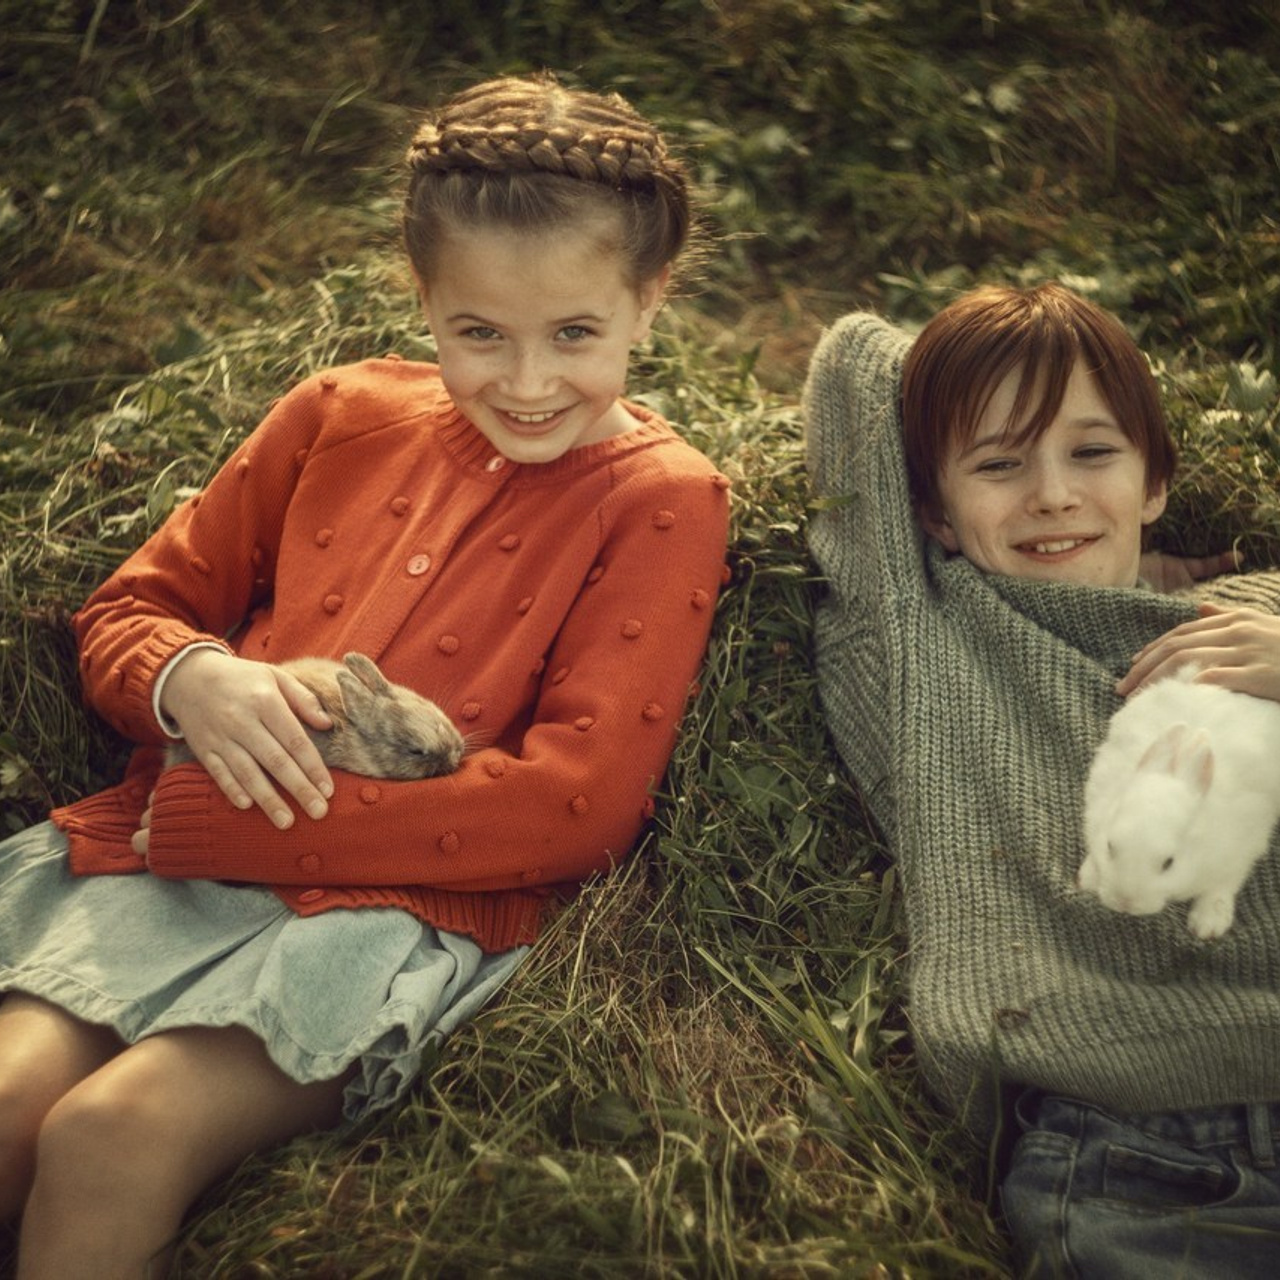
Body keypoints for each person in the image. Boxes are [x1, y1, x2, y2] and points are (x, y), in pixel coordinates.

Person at [0, 72, 730, 1279]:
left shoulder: (662, 498)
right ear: (423, 298)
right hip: (155, 879)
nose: (528, 381)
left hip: (389, 911)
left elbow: (576, 800)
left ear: (648, 300)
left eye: (575, 335)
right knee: (13, 1104)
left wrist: (207, 819)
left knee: (109, 1136)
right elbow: (134, 606)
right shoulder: (339, 410)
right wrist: (193, 681)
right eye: (477, 333)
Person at [804, 281, 1280, 1278]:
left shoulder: (1258, 612)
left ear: (1154, 480)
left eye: (1091, 451)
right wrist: (1025, 336)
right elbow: (853, 360)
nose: (1052, 493)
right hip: (1145, 1163)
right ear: (930, 509)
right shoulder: (927, 651)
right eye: (998, 463)